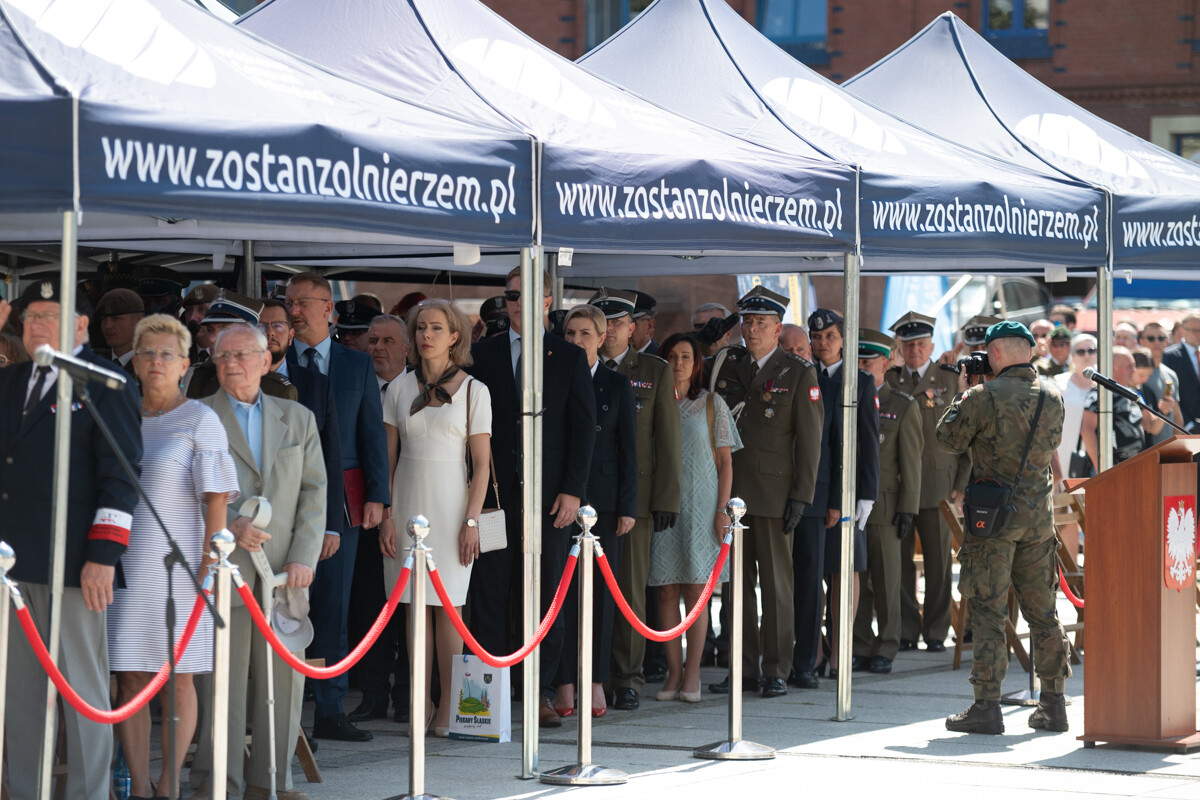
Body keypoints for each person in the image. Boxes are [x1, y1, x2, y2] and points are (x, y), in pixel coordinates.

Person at [0, 277, 141, 800]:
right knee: (21, 694)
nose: (35, 325)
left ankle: (88, 793)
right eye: (29, 317)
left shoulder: (103, 382)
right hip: (13, 565)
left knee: (82, 690)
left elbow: (121, 477)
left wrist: (104, 555)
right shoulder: (12, 381)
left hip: (75, 563)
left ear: (80, 326)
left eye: (47, 316)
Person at [107, 315, 239, 800]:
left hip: (181, 570)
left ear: (186, 364)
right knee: (130, 678)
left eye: (167, 354)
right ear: (135, 363)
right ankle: (139, 787)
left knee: (177, 677)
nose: (156, 362)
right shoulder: (118, 412)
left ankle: (169, 787)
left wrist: (209, 569)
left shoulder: (200, 419)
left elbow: (217, 502)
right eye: (148, 353)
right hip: (122, 567)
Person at [196, 323, 326, 800]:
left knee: (284, 686)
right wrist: (229, 521)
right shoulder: (198, 415)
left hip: (284, 575)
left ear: (266, 360)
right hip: (223, 569)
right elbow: (185, 490)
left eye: (242, 355)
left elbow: (315, 491)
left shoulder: (297, 417)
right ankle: (216, 783)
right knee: (220, 687)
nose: (232, 363)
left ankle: (273, 781)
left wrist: (304, 557)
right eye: (223, 356)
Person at [465, 265, 595, 730]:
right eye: (510, 295)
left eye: (524, 295)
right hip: (496, 499)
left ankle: (537, 690)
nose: (516, 303)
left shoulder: (568, 355)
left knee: (543, 597)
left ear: (546, 300)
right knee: (492, 592)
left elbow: (583, 430)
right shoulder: (483, 354)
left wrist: (573, 491)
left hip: (550, 500)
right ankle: (492, 690)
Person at [938, 321, 1072, 735]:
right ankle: (1053, 703)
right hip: (1037, 518)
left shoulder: (982, 395)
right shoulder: (1053, 395)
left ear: (994, 355)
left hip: (993, 519)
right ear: (1029, 353)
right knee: (1044, 613)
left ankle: (987, 706)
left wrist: (964, 390)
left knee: (989, 609)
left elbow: (947, 437)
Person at [286, 272, 389, 743]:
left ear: (329, 308)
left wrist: (377, 494)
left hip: (342, 505)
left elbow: (371, 434)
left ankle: (330, 706)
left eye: (305, 302)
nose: (296, 310)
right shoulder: (278, 362)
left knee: (333, 604)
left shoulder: (356, 364)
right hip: (286, 501)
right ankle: (281, 703)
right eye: (291, 302)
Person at [380, 299, 491, 736]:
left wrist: (471, 521)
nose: (426, 335)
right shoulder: (397, 389)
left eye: (435, 328)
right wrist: (386, 516)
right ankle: (419, 701)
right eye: (420, 328)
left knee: (449, 608)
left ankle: (449, 704)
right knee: (412, 608)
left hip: (451, 508)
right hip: (406, 503)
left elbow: (481, 464)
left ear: (454, 337)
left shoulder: (475, 391)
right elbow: (385, 460)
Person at [709, 286, 823, 699]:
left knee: (776, 587)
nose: (752, 328)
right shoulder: (728, 365)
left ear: (778, 329)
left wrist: (801, 497)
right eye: (748, 321)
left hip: (776, 494)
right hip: (732, 491)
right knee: (737, 586)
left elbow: (810, 442)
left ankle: (777, 667)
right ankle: (743, 666)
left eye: (761, 323)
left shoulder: (798, 372)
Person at [590, 287, 681, 712]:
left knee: (628, 589)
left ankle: (627, 676)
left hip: (637, 500)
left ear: (633, 328)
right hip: (586, 496)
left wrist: (666, 498)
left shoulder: (654, 371)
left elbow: (668, 439)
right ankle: (590, 673)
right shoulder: (579, 364)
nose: (609, 331)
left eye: (618, 324)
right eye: (602, 323)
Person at [554, 305, 637, 717]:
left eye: (586, 333)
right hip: (563, 498)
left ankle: (597, 681)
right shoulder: (553, 376)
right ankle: (565, 681)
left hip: (604, 500)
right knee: (564, 593)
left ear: (602, 338)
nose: (576, 341)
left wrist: (628, 506)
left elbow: (629, 451)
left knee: (602, 596)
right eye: (570, 333)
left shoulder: (616, 384)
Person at [650, 333, 739, 702]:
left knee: (696, 591)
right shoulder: (654, 401)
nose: (679, 363)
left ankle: (693, 675)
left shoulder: (711, 403)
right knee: (667, 590)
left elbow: (726, 462)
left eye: (686, 356)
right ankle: (673, 672)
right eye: (672, 356)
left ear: (697, 363)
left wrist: (723, 510)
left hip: (703, 507)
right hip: (664, 505)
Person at [885, 311, 970, 653]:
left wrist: (962, 483)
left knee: (939, 564)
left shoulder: (949, 378)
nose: (915, 350)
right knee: (900, 562)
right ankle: (906, 629)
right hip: (899, 484)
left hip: (939, 486)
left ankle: (936, 630)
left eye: (921, 344)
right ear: (900, 347)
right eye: (908, 344)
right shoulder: (890, 380)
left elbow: (967, 434)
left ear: (932, 345)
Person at [808, 309, 880, 676]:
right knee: (813, 573)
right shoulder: (805, 376)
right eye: (817, 337)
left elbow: (868, 441)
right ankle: (815, 650)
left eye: (830, 337)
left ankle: (840, 650)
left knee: (844, 571)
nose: (823, 344)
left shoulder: (860, 381)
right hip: (811, 488)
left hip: (847, 490)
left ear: (843, 340)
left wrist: (866, 494)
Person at [349, 313, 412, 724]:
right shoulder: (356, 386)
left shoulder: (420, 388)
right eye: (373, 340)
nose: (379, 348)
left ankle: (408, 696)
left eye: (388, 341)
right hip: (366, 515)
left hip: (413, 513)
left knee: (409, 606)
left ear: (406, 348)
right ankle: (372, 693)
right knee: (370, 606)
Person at [851, 329, 922, 674]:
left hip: (885, 508)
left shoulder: (902, 405)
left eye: (869, 361)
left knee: (886, 580)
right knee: (855, 580)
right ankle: (860, 643)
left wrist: (908, 507)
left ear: (886, 363)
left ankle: (888, 644)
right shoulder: (846, 398)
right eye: (858, 360)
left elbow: (911, 462)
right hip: (850, 505)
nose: (863, 367)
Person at [1080, 346, 1167, 468]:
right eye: (1129, 366)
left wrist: (1164, 412)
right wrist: (1101, 469)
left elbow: (1151, 427)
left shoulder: (1133, 394)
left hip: (1136, 467)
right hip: (1111, 470)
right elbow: (1087, 431)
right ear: (1113, 368)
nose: (1134, 370)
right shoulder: (1098, 396)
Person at [1138, 322, 1184, 445]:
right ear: (1141, 341)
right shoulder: (1136, 373)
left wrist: (1178, 448)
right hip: (1145, 449)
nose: (1156, 342)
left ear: (1167, 342)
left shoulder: (1170, 374)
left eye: (1161, 338)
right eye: (1151, 338)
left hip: (1168, 447)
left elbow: (1177, 415)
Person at [1161, 313, 1200, 431]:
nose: (1198, 334)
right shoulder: (1170, 355)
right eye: (1194, 330)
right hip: (1185, 425)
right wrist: (1187, 424)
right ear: (1183, 330)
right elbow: (1169, 392)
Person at [96, 288, 145, 374]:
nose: (108, 326)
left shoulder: (151, 365)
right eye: (104, 319)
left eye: (116, 318)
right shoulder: (94, 363)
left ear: (138, 321)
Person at [631, 290, 659, 355]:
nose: (627, 330)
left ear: (649, 326)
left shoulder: (663, 359)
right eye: (619, 323)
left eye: (632, 323)